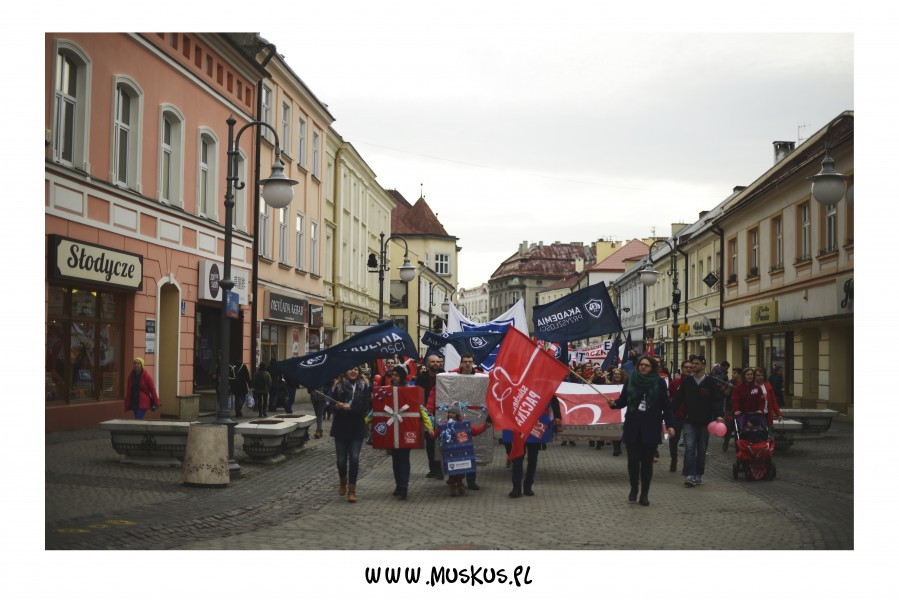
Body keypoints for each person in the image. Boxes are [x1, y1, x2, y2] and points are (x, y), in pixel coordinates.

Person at [606, 356, 675, 506]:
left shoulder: (659, 382)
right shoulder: (631, 380)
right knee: (632, 462)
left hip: (651, 426)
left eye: (647, 365)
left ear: (652, 368)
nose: (643, 367)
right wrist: (613, 404)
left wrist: (670, 424)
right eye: (641, 365)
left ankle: (644, 493)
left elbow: (666, 406)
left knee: (647, 463)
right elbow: (623, 400)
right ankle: (633, 488)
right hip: (632, 425)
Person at [366, 366, 433, 500]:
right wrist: (367, 420)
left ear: (402, 377)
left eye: (396, 375)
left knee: (403, 458)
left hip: (405, 429)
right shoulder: (386, 391)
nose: (394, 377)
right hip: (392, 431)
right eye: (393, 375)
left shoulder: (410, 391)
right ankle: (398, 485)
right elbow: (377, 408)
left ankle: (404, 486)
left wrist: (429, 427)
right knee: (396, 460)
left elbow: (421, 410)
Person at [672, 354, 724, 487]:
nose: (693, 366)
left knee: (701, 449)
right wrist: (669, 413)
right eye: (692, 364)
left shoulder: (710, 382)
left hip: (705, 422)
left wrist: (719, 415)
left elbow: (717, 400)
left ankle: (698, 474)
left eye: (696, 364)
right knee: (689, 447)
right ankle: (690, 474)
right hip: (689, 420)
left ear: (703, 365)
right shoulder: (687, 381)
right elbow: (678, 399)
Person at [502, 396, 561, 498]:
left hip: (536, 425)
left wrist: (558, 417)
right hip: (519, 423)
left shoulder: (543, 384)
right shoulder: (518, 382)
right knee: (517, 457)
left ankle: (528, 486)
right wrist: (490, 418)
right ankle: (516, 488)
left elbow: (553, 398)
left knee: (533, 459)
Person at [331, 366, 371, 503]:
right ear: (345, 372)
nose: (353, 371)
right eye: (350, 369)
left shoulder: (364, 386)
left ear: (359, 372)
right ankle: (343, 480)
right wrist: (336, 407)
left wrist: (351, 408)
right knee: (341, 461)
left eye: (355, 369)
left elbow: (365, 407)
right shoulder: (338, 386)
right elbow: (331, 404)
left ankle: (352, 490)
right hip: (341, 428)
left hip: (357, 428)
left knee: (354, 458)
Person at [431, 403, 489, 497]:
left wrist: (484, 426)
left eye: (453, 413)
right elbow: (436, 433)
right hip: (450, 453)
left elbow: (474, 431)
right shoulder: (445, 425)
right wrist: (432, 434)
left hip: (461, 453)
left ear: (457, 414)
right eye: (449, 412)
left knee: (461, 470)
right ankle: (453, 486)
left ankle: (460, 483)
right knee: (452, 469)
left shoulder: (463, 425)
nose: (451, 415)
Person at [449, 352, 484, 490]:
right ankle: (456, 479)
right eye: (465, 361)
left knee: (470, 452)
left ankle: (471, 481)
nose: (468, 364)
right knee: (456, 451)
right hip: (456, 421)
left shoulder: (481, 378)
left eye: (470, 361)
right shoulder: (452, 376)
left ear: (473, 362)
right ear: (461, 363)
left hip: (474, 419)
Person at [416, 352, 445, 478]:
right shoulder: (421, 378)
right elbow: (417, 395)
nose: (436, 364)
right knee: (430, 442)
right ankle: (432, 468)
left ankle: (440, 470)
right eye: (433, 362)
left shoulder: (445, 376)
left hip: (442, 411)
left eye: (438, 362)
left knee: (440, 441)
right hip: (427, 413)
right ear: (428, 363)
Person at [666, 359, 693, 472]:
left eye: (690, 367)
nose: (688, 369)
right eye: (686, 367)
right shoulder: (674, 383)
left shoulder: (695, 383)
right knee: (673, 441)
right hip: (676, 416)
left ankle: (687, 465)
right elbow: (669, 398)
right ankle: (674, 459)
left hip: (689, 417)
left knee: (689, 442)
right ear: (682, 369)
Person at [721, 366, 743, 451]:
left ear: (739, 375)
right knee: (728, 427)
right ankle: (726, 442)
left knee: (738, 428)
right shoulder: (730, 382)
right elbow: (725, 394)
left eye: (734, 373)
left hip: (740, 410)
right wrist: (730, 387)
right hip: (729, 409)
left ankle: (738, 445)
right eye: (732, 373)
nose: (732, 374)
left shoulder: (743, 384)